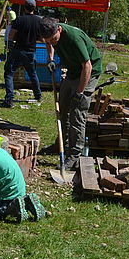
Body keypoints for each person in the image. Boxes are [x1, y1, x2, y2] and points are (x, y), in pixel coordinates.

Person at [39, 16, 103, 170]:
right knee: (62, 108)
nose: (51, 42)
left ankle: (74, 154)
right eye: (48, 40)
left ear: (59, 29)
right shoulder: (50, 35)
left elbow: (86, 66)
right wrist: (51, 58)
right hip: (73, 71)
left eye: (53, 39)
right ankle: (61, 144)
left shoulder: (74, 37)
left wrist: (80, 93)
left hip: (89, 72)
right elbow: (48, 43)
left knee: (77, 112)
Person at [0, 0, 43, 108]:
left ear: (24, 7)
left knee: (9, 73)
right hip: (30, 51)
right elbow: (42, 38)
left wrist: (9, 44)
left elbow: (11, 35)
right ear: (34, 8)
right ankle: (38, 96)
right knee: (32, 74)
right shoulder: (39, 21)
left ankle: (9, 99)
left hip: (18, 50)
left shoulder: (19, 20)